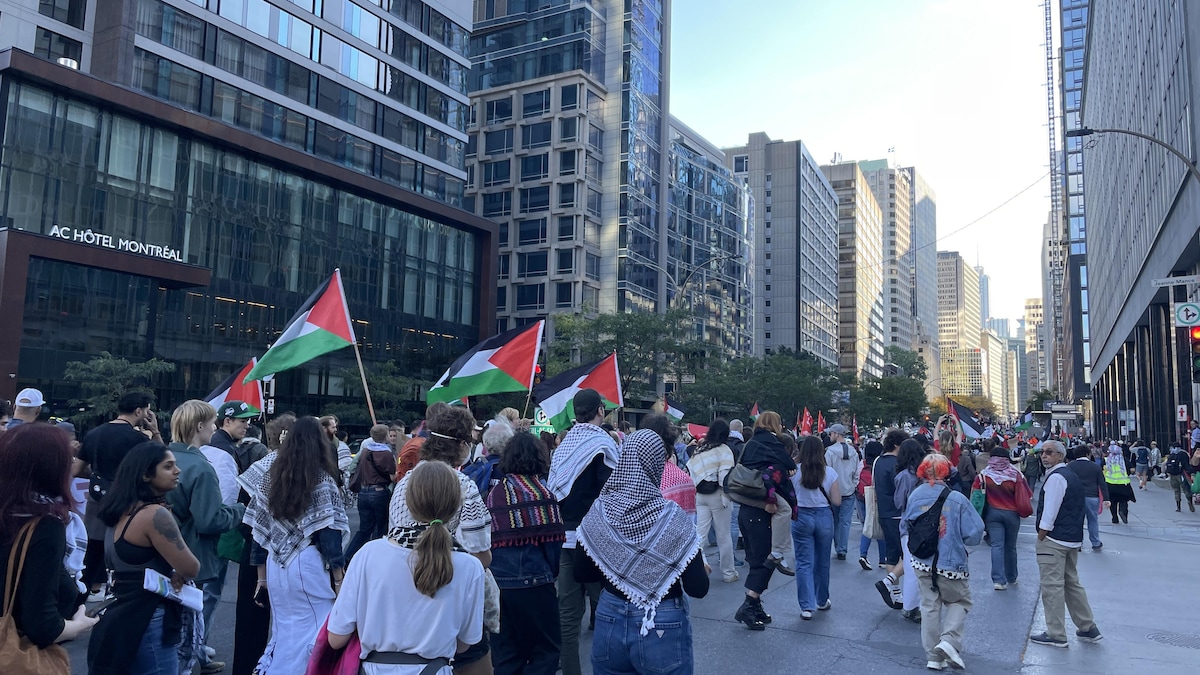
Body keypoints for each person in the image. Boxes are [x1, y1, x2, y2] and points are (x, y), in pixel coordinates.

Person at [327, 461, 484, 674]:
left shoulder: (368, 554)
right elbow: (465, 643)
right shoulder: (470, 566)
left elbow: (336, 638)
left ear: (407, 501)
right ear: (456, 504)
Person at [576, 429, 709, 675]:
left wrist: (617, 558)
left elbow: (581, 573)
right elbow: (698, 588)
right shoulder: (672, 518)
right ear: (658, 464)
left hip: (609, 618)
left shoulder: (601, 511)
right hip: (662, 621)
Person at [238, 416, 349, 674]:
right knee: (315, 633)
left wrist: (261, 579)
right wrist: (340, 579)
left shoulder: (271, 476)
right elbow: (328, 535)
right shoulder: (321, 478)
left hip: (276, 564)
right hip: (308, 562)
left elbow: (259, 531)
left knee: (283, 633)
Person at [389, 406, 495, 675]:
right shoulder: (464, 485)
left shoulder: (405, 482)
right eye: (470, 441)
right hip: (452, 599)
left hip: (404, 597)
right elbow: (480, 556)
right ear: (461, 445)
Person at [89, 441, 201, 675]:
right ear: (146, 475)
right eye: (168, 466)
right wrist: (176, 570)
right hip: (149, 614)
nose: (177, 471)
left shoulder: (120, 508)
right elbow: (191, 567)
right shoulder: (154, 515)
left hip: (119, 611)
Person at [0, 424, 97, 658]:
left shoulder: (10, 513)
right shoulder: (44, 525)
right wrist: (80, 624)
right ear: (54, 469)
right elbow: (42, 626)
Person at [165, 399, 246, 673]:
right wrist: (239, 510)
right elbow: (210, 520)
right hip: (191, 553)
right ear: (199, 426)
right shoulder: (201, 467)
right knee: (186, 630)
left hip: (158, 552)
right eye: (212, 423)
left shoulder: (160, 457)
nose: (215, 428)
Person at [545, 389, 618, 675]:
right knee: (609, 611)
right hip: (597, 541)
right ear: (600, 410)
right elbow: (612, 494)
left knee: (568, 616)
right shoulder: (603, 445)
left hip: (566, 539)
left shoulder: (563, 447)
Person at [486, 431, 565, 675]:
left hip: (499, 586)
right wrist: (549, 576)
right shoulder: (544, 495)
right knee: (547, 651)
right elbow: (553, 547)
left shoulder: (494, 495)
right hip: (535, 582)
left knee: (506, 654)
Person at [902, 454, 985, 671]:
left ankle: (933, 657)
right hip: (951, 562)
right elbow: (975, 532)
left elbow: (905, 526)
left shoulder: (914, 496)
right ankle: (948, 641)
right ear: (947, 472)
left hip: (922, 560)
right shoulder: (957, 498)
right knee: (959, 601)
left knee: (929, 605)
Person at [77, 391, 162, 600]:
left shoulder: (94, 433)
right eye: (147, 410)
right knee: (119, 556)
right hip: (127, 505)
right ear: (139, 410)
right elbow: (163, 462)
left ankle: (78, 604)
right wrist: (156, 432)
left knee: (91, 556)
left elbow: (77, 469)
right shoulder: (138, 439)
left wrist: (97, 474)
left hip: (97, 504)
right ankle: (112, 600)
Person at [231, 414, 295, 675]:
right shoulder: (301, 469)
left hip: (254, 550)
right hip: (290, 554)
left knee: (250, 619)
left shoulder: (257, 469)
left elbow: (242, 515)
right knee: (290, 620)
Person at [1030, 440, 1103, 648]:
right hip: (1070, 538)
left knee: (1052, 587)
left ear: (1060, 456)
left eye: (1049, 452)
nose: (1044, 456)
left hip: (1054, 539)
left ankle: (1056, 633)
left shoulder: (1056, 477)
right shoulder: (1069, 475)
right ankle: (1087, 626)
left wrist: (1042, 535)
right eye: (1042, 452)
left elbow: (1050, 510)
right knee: (1072, 584)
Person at [730, 411, 796, 630]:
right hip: (763, 509)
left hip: (746, 505)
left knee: (755, 560)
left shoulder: (749, 444)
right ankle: (749, 605)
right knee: (766, 561)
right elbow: (788, 464)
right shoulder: (773, 442)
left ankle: (755, 604)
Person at [791, 435, 839, 620]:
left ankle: (806, 606)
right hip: (823, 516)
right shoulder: (830, 473)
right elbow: (836, 500)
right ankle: (822, 599)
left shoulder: (794, 472)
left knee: (803, 562)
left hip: (801, 515)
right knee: (822, 561)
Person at [972, 444, 1031, 590]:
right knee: (1010, 547)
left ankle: (998, 580)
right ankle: (1012, 576)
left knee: (997, 546)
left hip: (992, 514)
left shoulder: (984, 475)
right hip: (1012, 514)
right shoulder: (1016, 475)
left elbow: (975, 494)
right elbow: (1027, 494)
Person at [687, 418, 737, 583]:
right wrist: (728, 493)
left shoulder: (699, 450)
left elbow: (691, 471)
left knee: (699, 535)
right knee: (724, 536)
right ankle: (729, 572)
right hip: (718, 496)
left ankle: (700, 566)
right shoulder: (724, 450)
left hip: (700, 495)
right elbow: (724, 476)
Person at [346, 424, 399, 561]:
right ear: (386, 436)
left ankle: (348, 557)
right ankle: (375, 559)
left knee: (364, 529)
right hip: (379, 492)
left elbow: (353, 467)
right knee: (381, 529)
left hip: (363, 492)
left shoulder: (365, 451)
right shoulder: (386, 453)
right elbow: (393, 476)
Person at [892, 439, 929, 622]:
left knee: (910, 565)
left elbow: (899, 502)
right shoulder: (927, 474)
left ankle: (910, 606)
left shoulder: (903, 476)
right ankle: (923, 605)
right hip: (928, 524)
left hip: (909, 524)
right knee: (925, 565)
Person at [874, 429, 908, 610]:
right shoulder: (896, 464)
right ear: (897, 444)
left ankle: (896, 593)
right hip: (898, 512)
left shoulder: (878, 461)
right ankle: (889, 582)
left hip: (884, 511)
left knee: (892, 553)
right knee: (909, 553)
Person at [824, 424, 858, 561]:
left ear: (836, 434)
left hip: (833, 491)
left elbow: (827, 472)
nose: (829, 436)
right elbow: (856, 473)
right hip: (849, 490)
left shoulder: (830, 452)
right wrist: (853, 485)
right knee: (845, 522)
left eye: (831, 433)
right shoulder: (854, 452)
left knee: (834, 520)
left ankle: (837, 546)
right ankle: (842, 549)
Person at [1066, 445, 1109, 550]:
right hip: (1092, 496)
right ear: (1088, 454)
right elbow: (1102, 484)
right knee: (1093, 520)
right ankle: (1095, 542)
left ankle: (1078, 543)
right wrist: (1107, 499)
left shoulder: (1070, 466)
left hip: (1075, 497)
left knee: (1076, 520)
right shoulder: (1095, 467)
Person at [857, 440, 888, 570]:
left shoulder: (862, 463)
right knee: (880, 527)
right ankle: (883, 559)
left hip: (862, 496)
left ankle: (863, 554)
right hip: (877, 496)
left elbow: (856, 477)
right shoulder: (880, 463)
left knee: (868, 524)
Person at [1103, 443, 1135, 524]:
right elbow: (1132, 470)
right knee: (1123, 500)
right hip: (1123, 484)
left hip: (1110, 484)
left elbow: (1101, 470)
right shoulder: (1124, 459)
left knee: (1112, 502)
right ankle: (1122, 511)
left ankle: (1114, 517)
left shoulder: (1106, 460)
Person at [1164, 442, 1194, 512]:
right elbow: (1187, 465)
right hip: (1181, 474)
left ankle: (1178, 507)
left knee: (1176, 490)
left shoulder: (1172, 455)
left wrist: (1167, 472)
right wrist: (1191, 473)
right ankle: (1190, 502)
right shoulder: (1184, 454)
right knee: (1186, 489)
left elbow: (1168, 465)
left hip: (1173, 475)